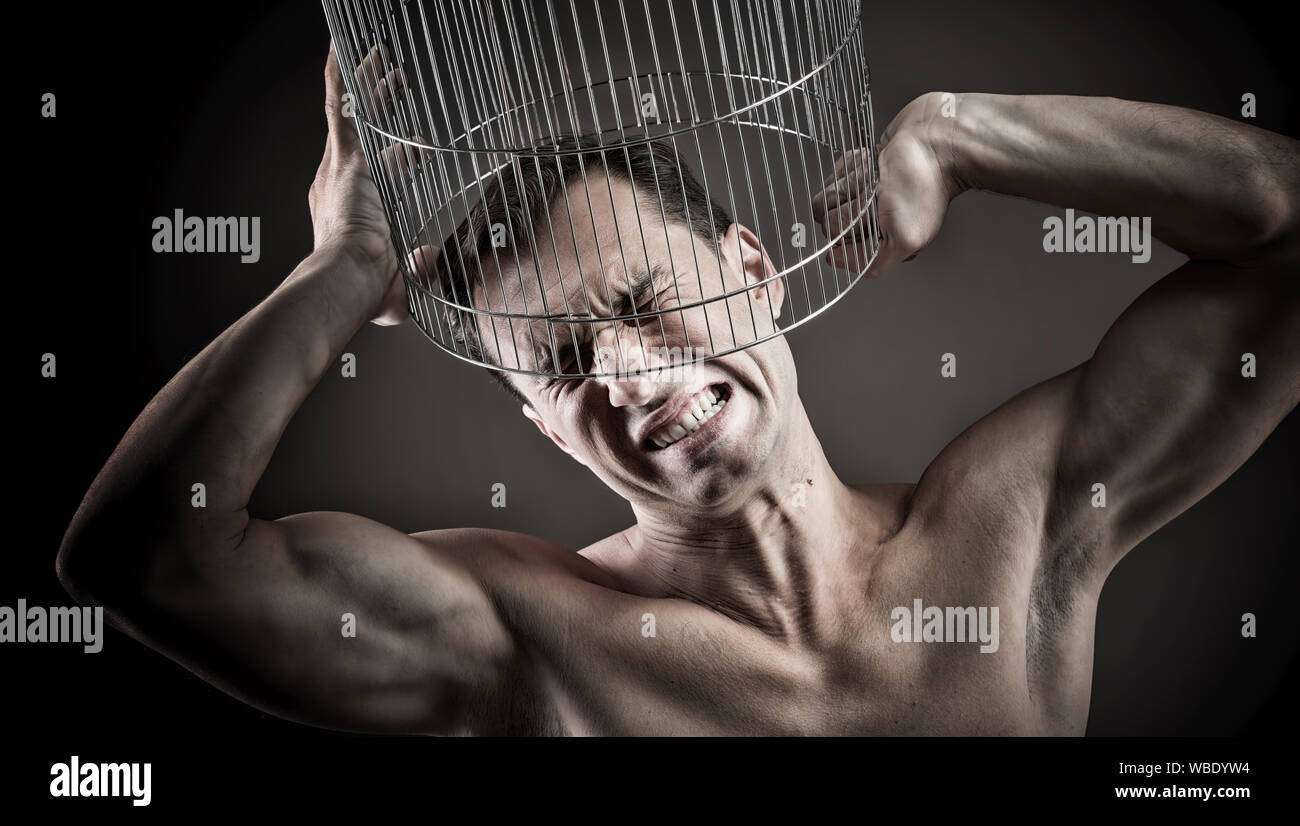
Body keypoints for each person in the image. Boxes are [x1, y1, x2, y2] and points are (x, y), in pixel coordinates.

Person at [57, 44, 1299, 735]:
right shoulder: (523, 641)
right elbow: (145, 558)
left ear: (754, 271)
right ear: (532, 417)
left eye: (647, 304)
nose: (630, 377)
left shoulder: (1007, 534)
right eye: (559, 363)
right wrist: (344, 274)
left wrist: (960, 134)